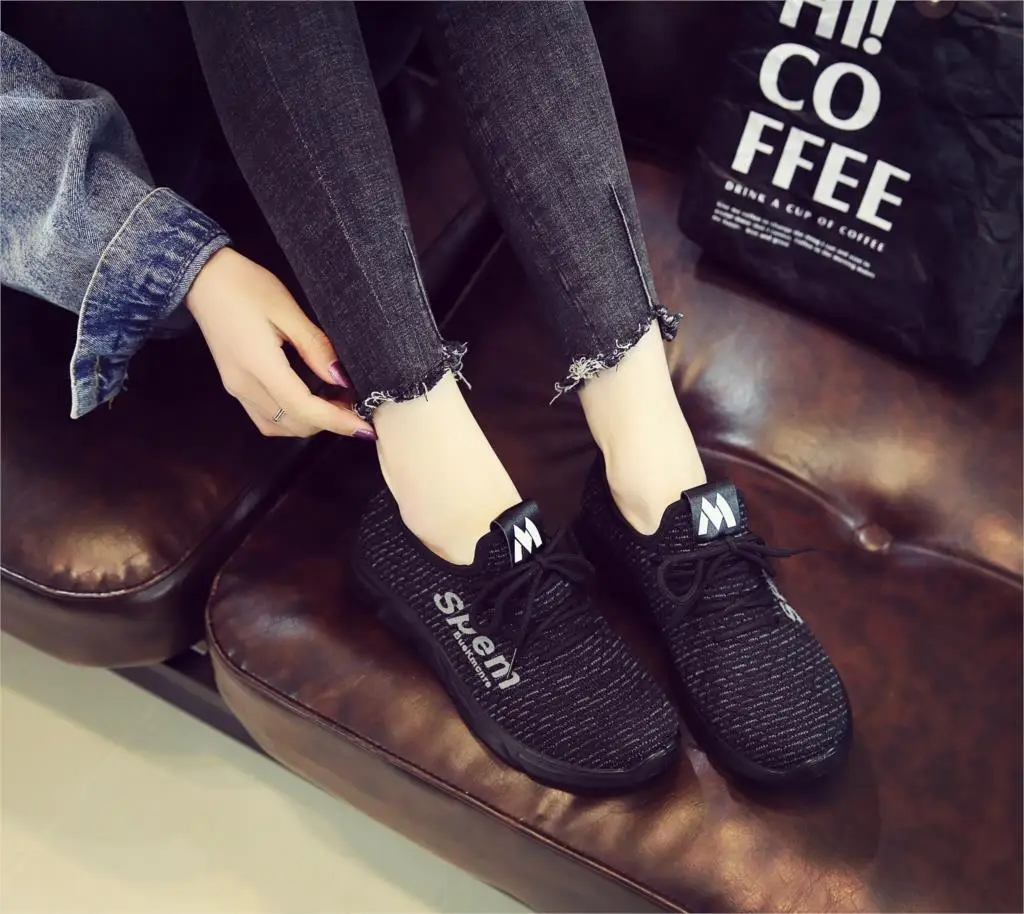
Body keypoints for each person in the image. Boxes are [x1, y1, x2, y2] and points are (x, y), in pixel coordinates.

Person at [2, 2, 850, 792]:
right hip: (84, 186)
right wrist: (171, 262)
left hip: (307, 88)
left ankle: (651, 462)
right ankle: (436, 482)